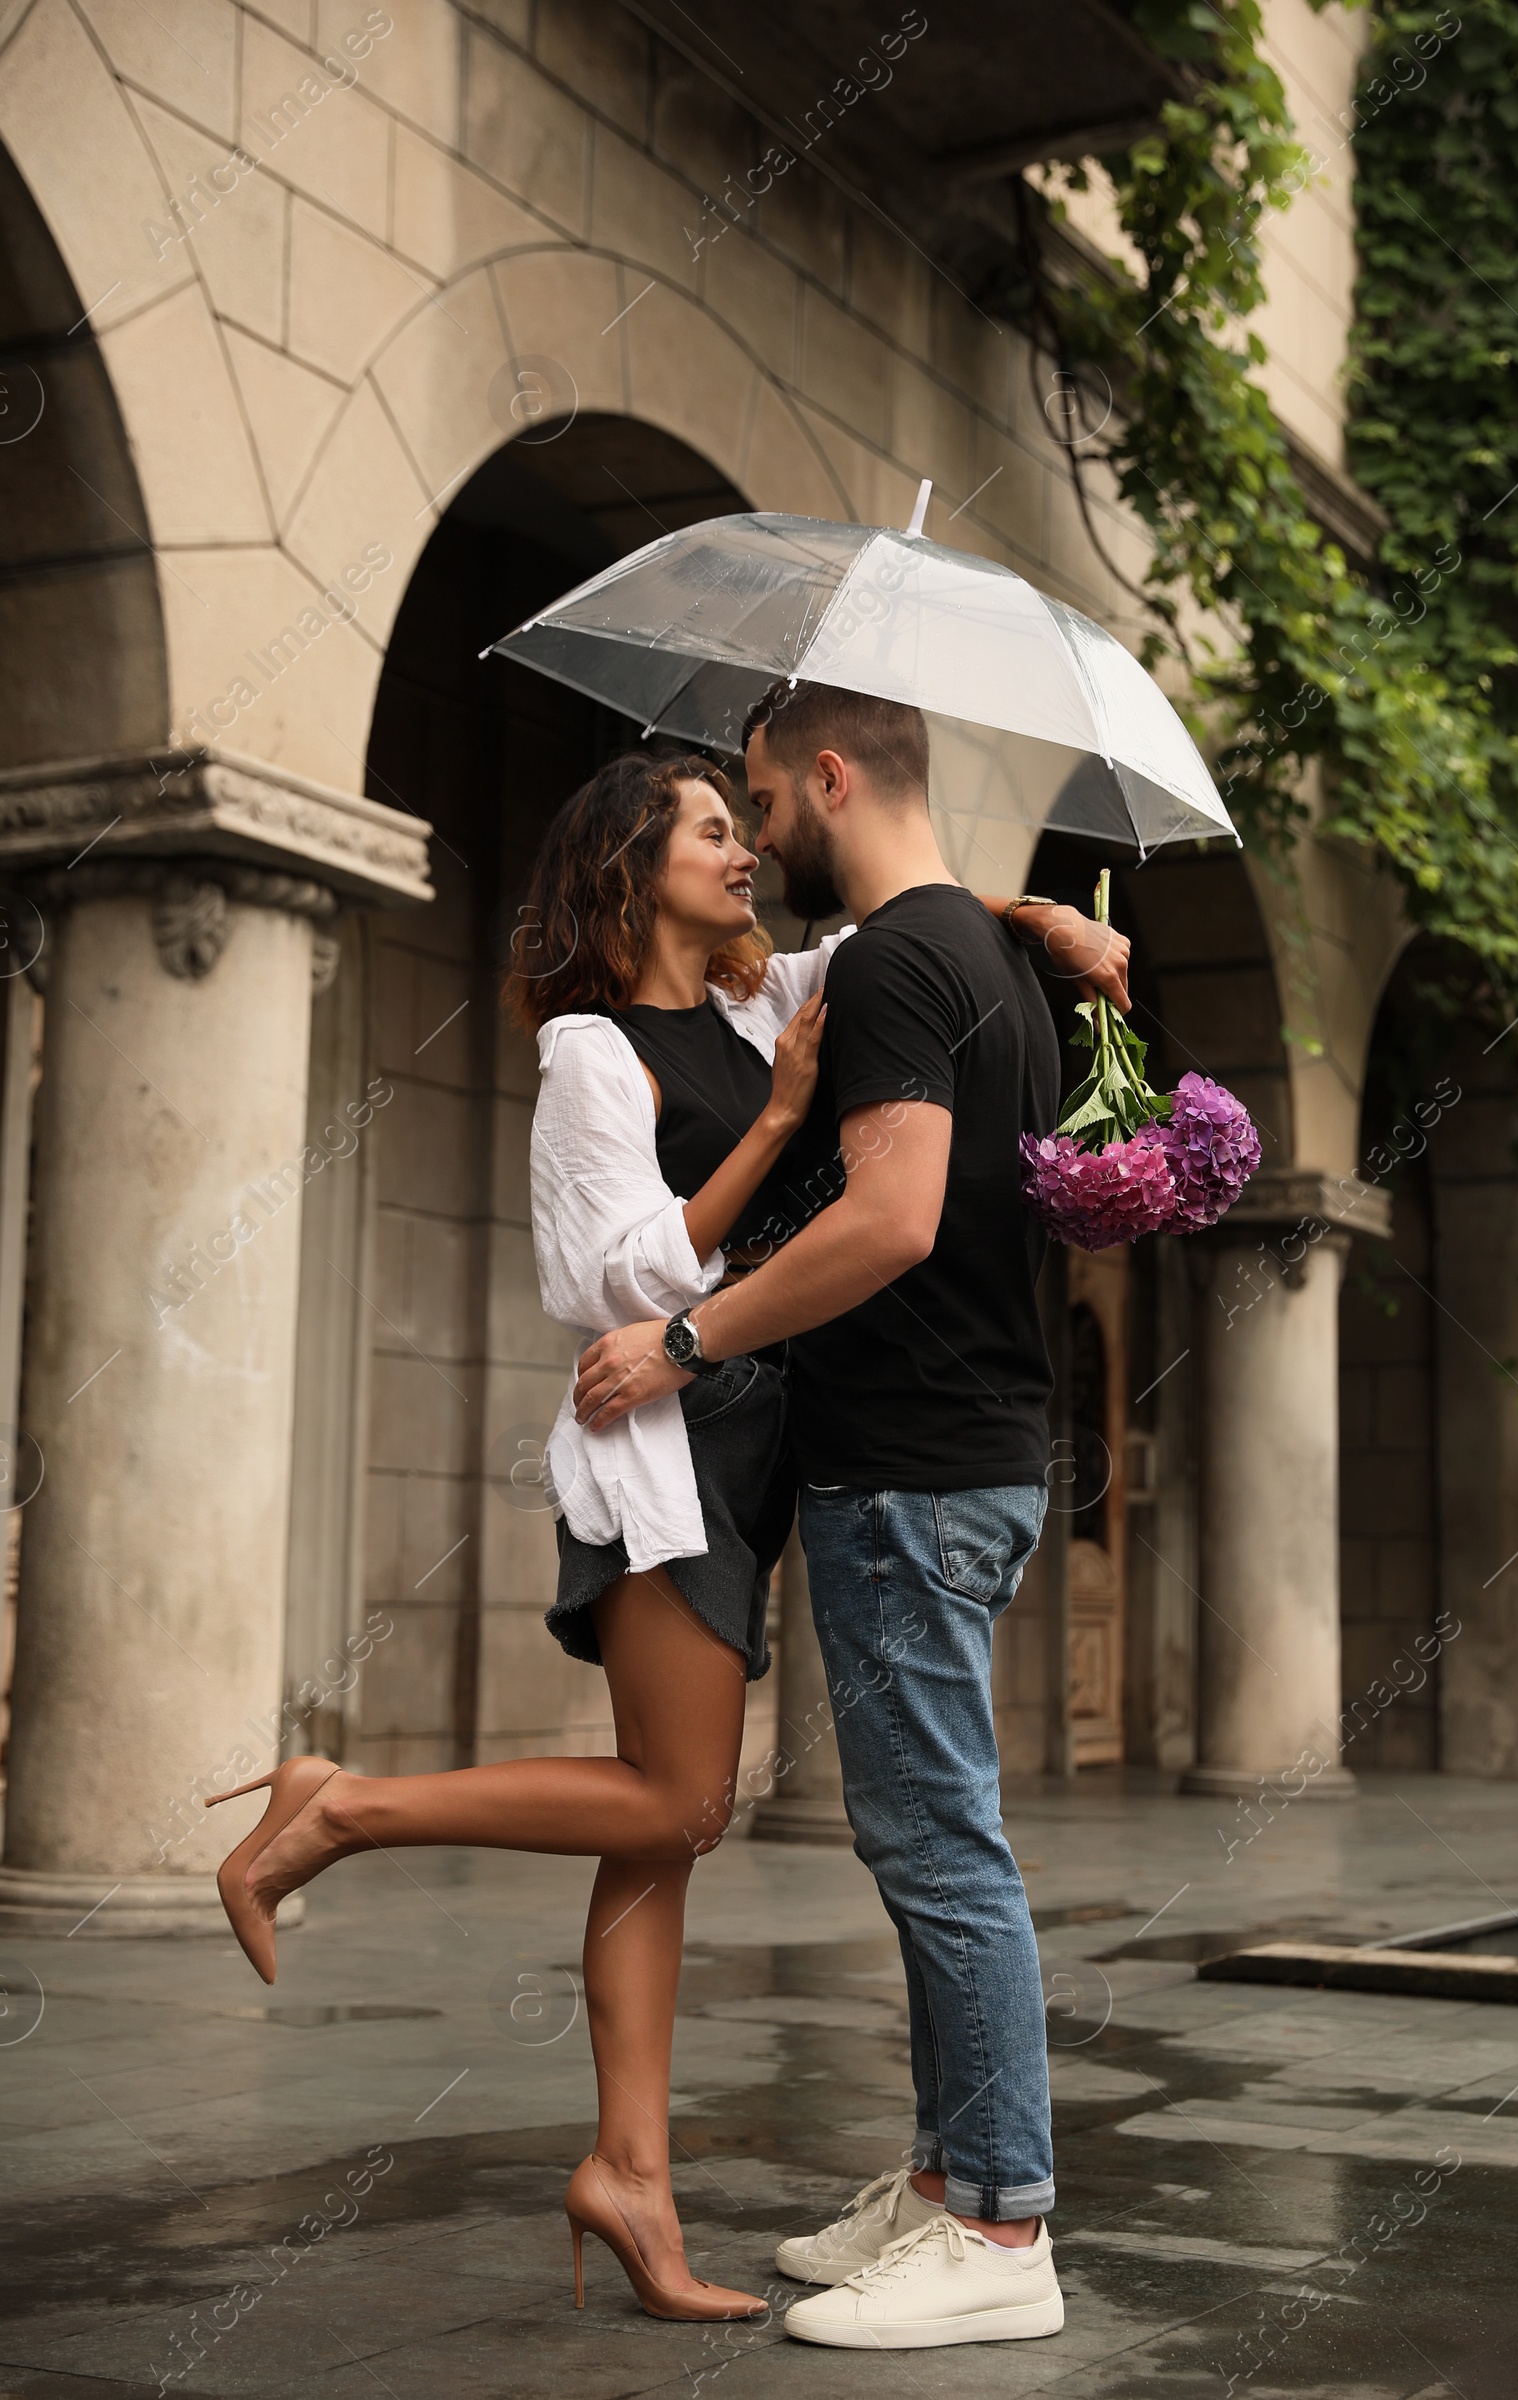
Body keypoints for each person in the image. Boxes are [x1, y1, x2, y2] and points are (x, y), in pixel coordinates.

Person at [203, 743, 1115, 2331]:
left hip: (757, 1454)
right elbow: (605, 1280)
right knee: (679, 1805)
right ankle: (342, 1806)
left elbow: (912, 917)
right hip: (662, 1449)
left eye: (748, 819)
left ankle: (631, 2170)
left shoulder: (770, 1000)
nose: (747, 851)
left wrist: (1047, 923)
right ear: (632, 868)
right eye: (713, 830)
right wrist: (769, 1132)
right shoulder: (590, 1057)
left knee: (651, 1831)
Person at [572, 682, 1131, 2352]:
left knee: (939, 1845)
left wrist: (683, 1336)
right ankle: (952, 2179)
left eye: (758, 796)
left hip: (911, 1469)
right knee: (927, 1841)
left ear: (828, 776)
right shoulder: (990, 964)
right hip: (962, 1458)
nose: (753, 836)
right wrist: (1047, 920)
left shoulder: (896, 960)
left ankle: (1004, 2227)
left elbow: (885, 1219)